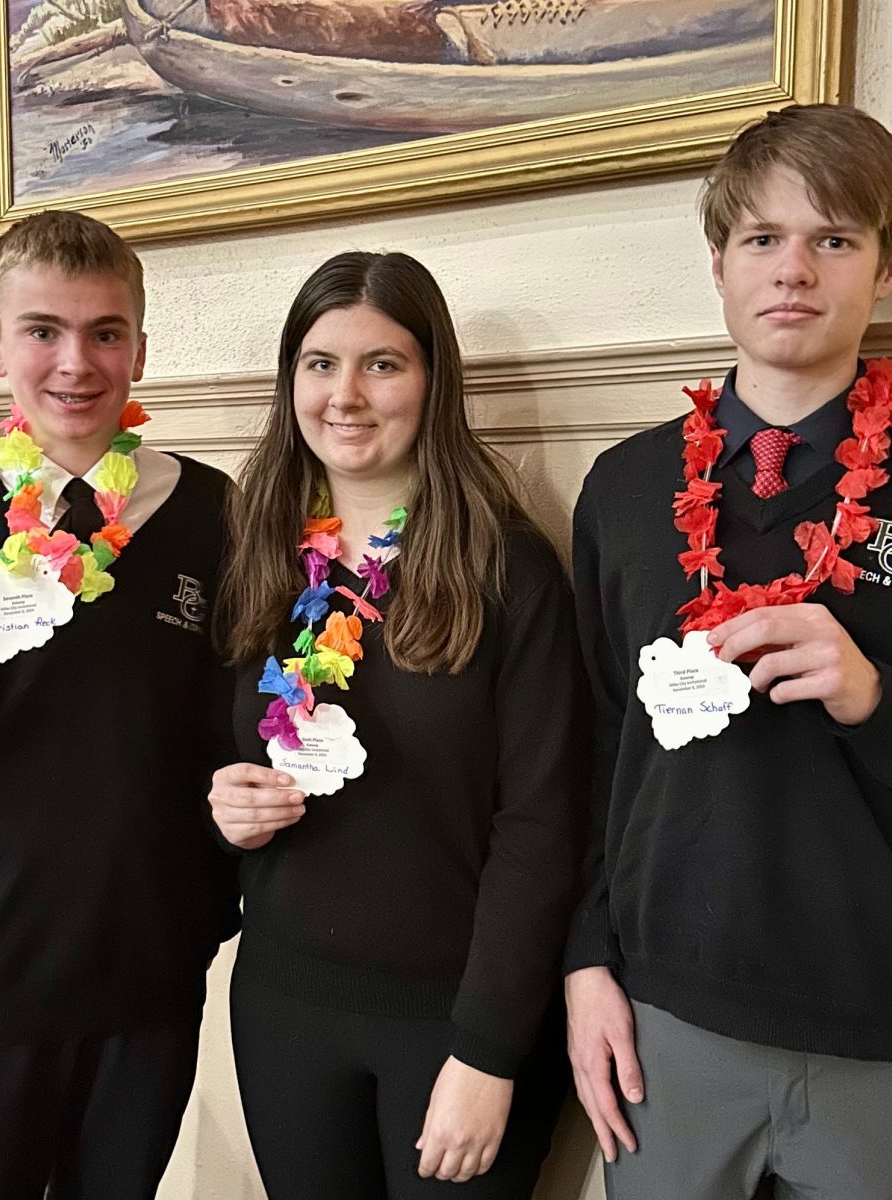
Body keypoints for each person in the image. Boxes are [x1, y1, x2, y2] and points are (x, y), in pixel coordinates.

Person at [564, 103, 892, 1200]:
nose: (795, 271)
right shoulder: (627, 489)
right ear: (720, 263)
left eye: (835, 239)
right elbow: (587, 749)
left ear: (888, 267)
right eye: (762, 239)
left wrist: (881, 698)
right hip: (666, 1025)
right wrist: (583, 960)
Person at [0, 210, 239, 1200]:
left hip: (146, 982)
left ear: (140, 349)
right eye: (42, 331)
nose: (76, 363)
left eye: (105, 331)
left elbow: (233, 731)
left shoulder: (212, 517)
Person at [209, 250, 584, 1199]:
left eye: (383, 363)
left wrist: (490, 1052)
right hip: (285, 1008)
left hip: (453, 1024)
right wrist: (226, 805)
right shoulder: (258, 553)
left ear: (432, 381)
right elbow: (212, 755)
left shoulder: (509, 571)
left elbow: (543, 827)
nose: (346, 395)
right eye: (320, 363)